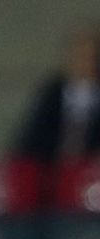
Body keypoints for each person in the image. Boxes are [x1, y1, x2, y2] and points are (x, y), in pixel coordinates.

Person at [14, 26, 100, 163]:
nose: (84, 62)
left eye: (90, 56)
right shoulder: (51, 94)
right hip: (52, 172)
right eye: (79, 55)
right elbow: (30, 140)